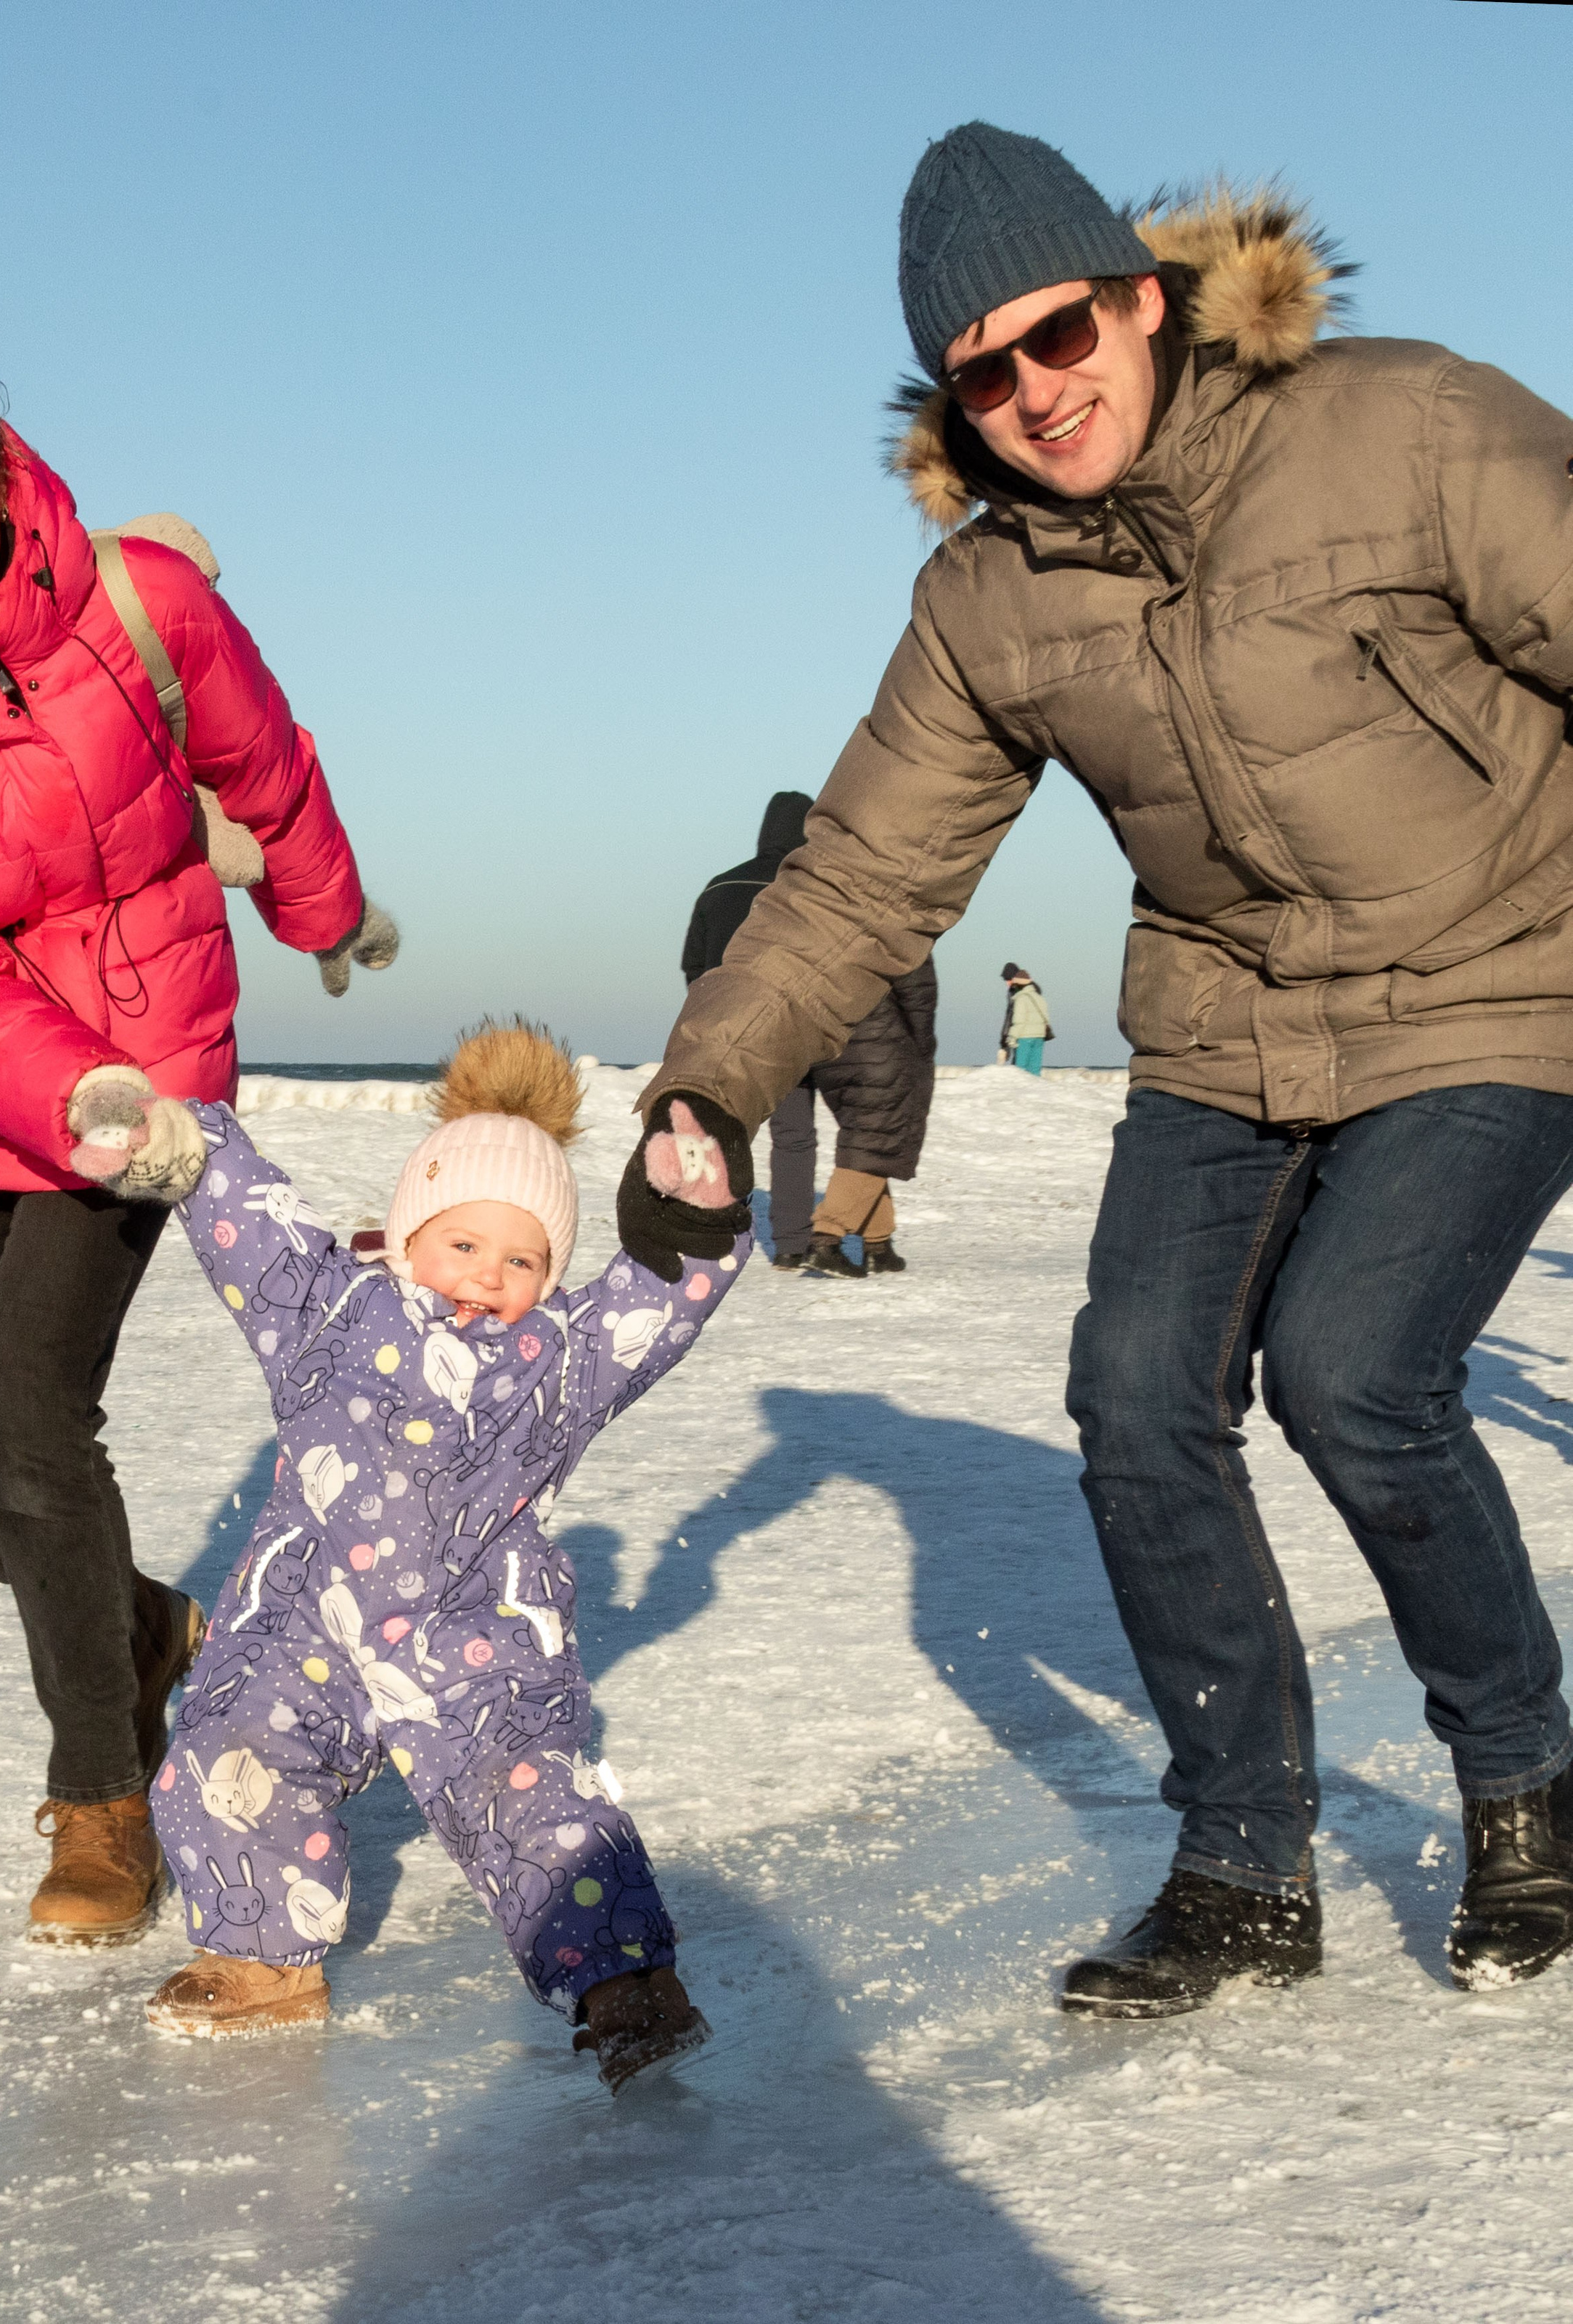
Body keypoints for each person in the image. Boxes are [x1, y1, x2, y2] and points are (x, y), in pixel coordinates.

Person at [618, 122, 1573, 2015]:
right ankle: (1240, 1863)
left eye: (1062, 333)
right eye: (986, 369)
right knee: (1138, 1394)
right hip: (1225, 1022)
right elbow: (867, 874)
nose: (1039, 391)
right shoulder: (991, 597)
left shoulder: (1409, 430)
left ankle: (1528, 1786)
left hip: (1497, 976)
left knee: (1355, 1373)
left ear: (1143, 298)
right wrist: (703, 1092)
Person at [0, 322, 396, 1950]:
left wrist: (324, 908)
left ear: (1, 470)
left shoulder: (137, 608)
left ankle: (106, 1794)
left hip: (145, 1064)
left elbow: (260, 754)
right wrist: (59, 1095)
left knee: (31, 1422)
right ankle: (151, 1628)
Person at [65, 1022, 750, 2089]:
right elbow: (256, 1224)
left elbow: (649, 1307)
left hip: (476, 1642)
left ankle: (626, 1987)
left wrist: (693, 1223)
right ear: (413, 1227)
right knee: (227, 1752)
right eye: (464, 1243)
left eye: (523, 1258)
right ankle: (259, 1959)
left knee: (535, 1805)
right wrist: (176, 1142)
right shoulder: (334, 1312)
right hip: (302, 1622)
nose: (488, 1276)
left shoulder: (557, 1359)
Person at [684, 793, 937, 1276]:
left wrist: (722, 1018)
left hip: (757, 1034)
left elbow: (696, 966)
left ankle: (791, 1245)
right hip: (833, 1025)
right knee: (860, 1130)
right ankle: (856, 1237)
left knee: (791, 1136)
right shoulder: (819, 883)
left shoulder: (720, 888)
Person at [999, 963, 1052, 1075]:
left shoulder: (1020, 998)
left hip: (1024, 1036)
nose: (1007, 983)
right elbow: (1046, 1018)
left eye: (1009, 980)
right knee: (1035, 1071)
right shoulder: (1038, 996)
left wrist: (1010, 1038)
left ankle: (1021, 1092)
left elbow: (1017, 1020)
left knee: (1020, 1071)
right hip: (1039, 1036)